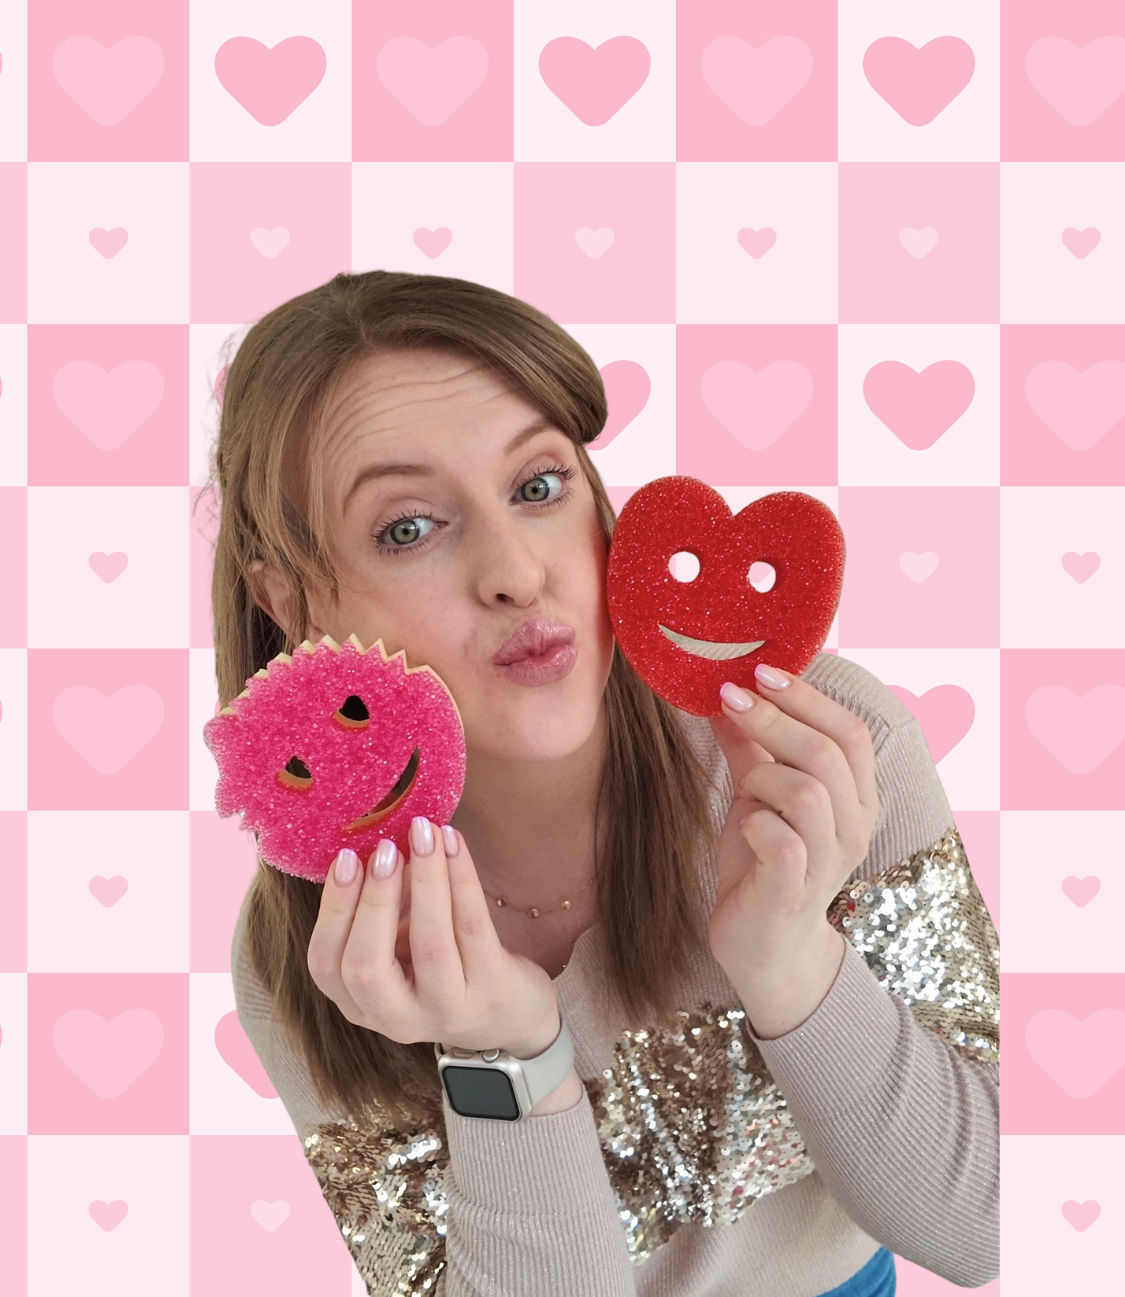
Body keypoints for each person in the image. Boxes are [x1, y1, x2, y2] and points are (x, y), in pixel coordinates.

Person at [208, 269, 1000, 1297]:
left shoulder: (818, 751)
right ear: (293, 603)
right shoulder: (318, 950)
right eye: (408, 528)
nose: (517, 571)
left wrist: (790, 956)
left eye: (538, 486)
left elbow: (989, 1226)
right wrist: (505, 1053)